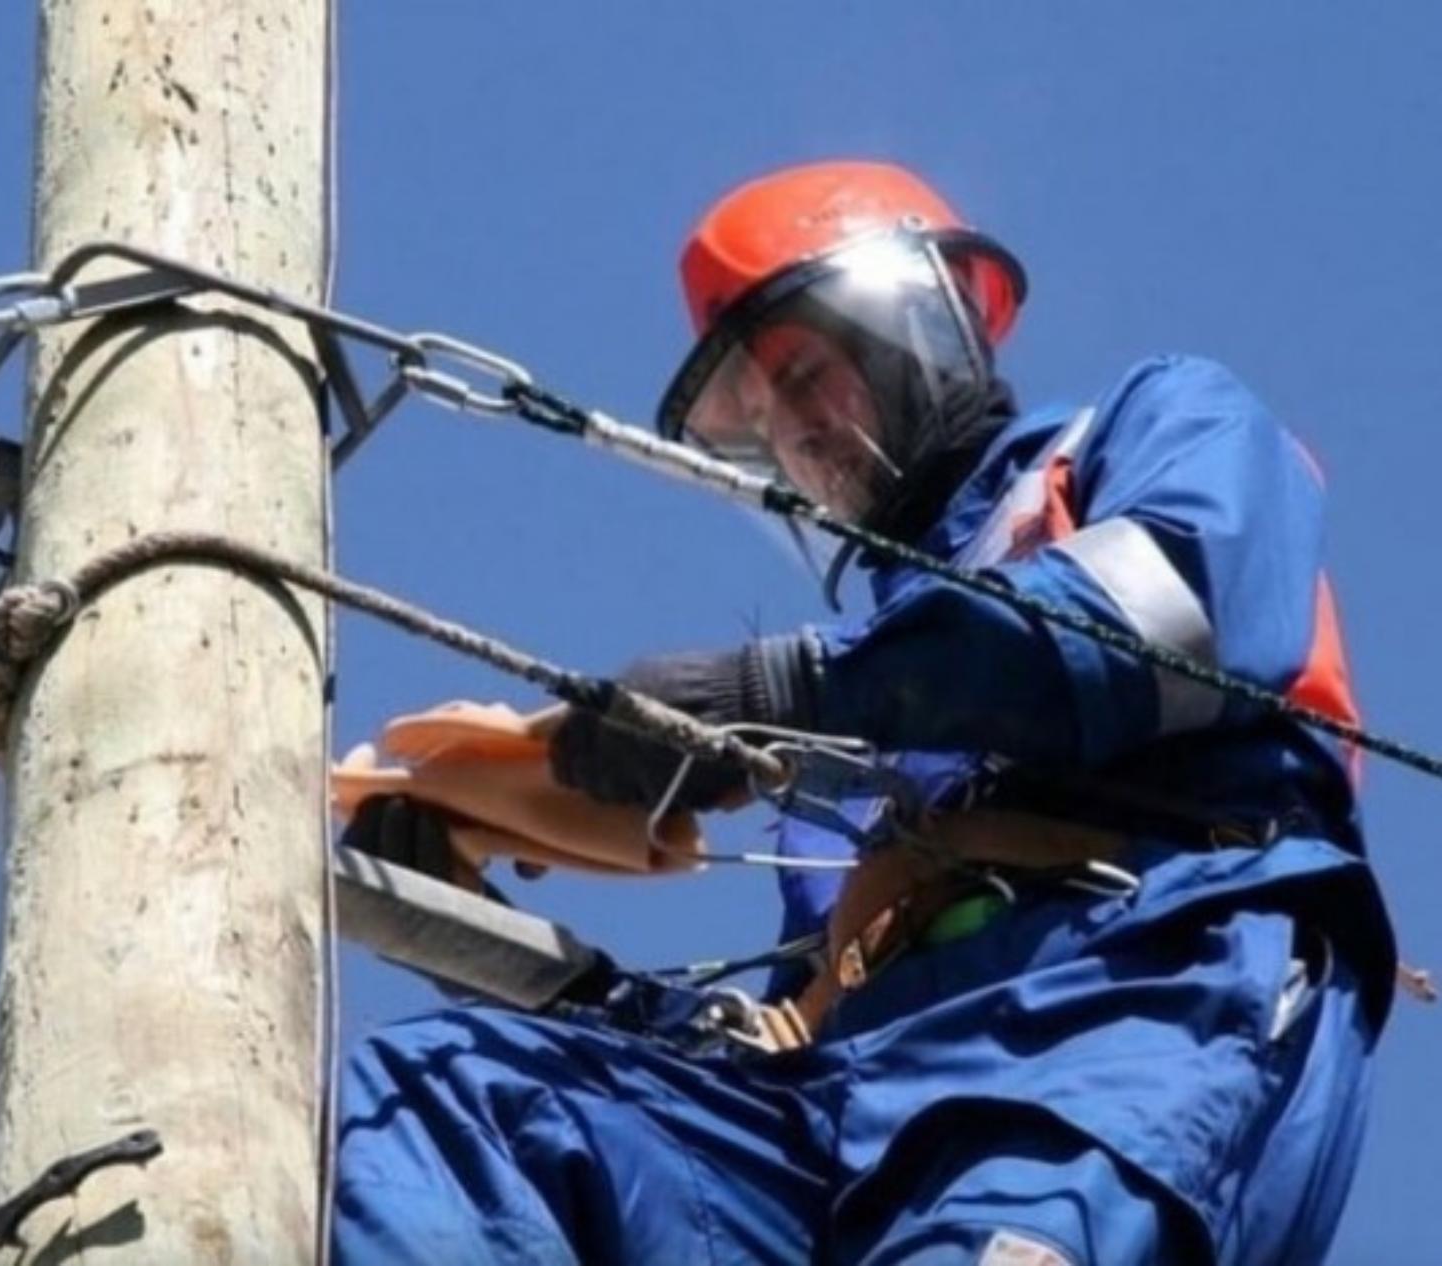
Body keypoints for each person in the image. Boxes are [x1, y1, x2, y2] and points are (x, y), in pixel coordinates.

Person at [331, 161, 1395, 1265]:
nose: (794, 434)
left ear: (919, 324)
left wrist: (779, 691)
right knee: (441, 1106)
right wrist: (501, 952)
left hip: (1116, 1026)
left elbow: (1167, 625)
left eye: (801, 376)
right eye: (755, 420)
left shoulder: (1138, 435)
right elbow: (768, 1058)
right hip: (851, 1134)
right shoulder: (847, 767)